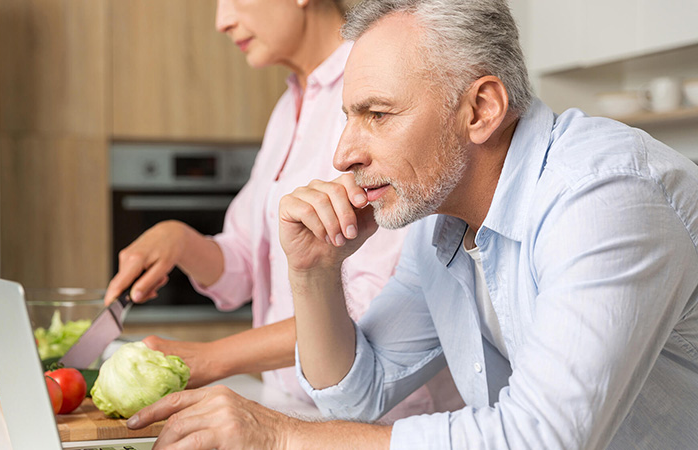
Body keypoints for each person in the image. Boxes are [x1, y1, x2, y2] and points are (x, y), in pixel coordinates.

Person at [123, 0, 698, 448]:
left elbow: (538, 439)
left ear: (481, 110)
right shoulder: (439, 224)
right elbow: (357, 395)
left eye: (377, 114)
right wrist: (313, 272)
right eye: (349, 117)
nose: (343, 154)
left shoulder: (605, 196)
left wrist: (277, 435)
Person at [104, 0, 462, 422]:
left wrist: (211, 358)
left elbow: (375, 307)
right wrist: (179, 239)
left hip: (386, 422)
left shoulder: (381, 84)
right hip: (294, 406)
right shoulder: (289, 106)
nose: (222, 21)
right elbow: (245, 267)